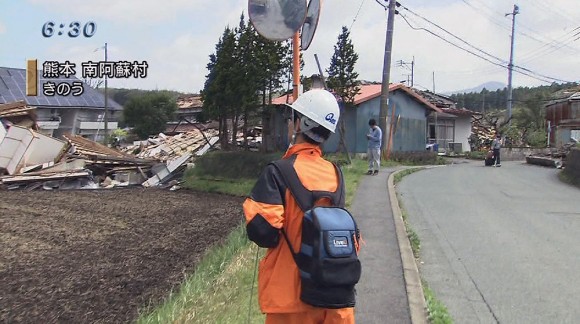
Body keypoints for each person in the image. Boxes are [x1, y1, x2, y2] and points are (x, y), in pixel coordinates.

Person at [243, 89, 356, 324]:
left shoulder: (278, 171)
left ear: (300, 124)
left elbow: (264, 233)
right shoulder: (336, 173)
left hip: (291, 301)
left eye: (292, 117)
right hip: (334, 297)